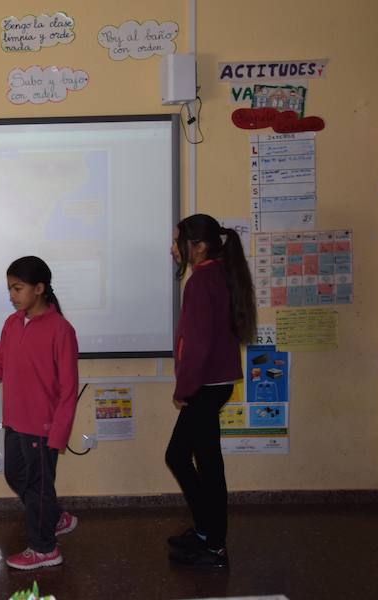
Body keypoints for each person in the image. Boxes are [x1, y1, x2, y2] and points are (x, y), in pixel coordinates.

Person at [0, 256, 79, 571]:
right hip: (15, 422)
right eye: (9, 288)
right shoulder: (12, 324)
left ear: (39, 289)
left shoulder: (61, 330)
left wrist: (59, 434)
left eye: (17, 288)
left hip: (43, 428)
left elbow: (69, 390)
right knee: (16, 475)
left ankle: (45, 549)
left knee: (39, 486)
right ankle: (54, 517)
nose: (11, 295)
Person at [165, 214, 257, 569]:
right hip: (214, 385)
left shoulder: (202, 281)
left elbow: (198, 346)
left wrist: (184, 389)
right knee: (195, 459)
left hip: (204, 386)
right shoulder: (217, 273)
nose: (174, 248)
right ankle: (206, 531)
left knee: (195, 461)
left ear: (199, 246)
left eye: (179, 242)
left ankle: (215, 545)